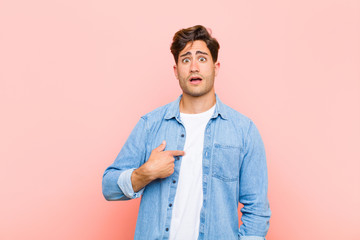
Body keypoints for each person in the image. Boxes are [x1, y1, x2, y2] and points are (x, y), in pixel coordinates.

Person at [102, 25, 271, 240]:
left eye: (202, 59)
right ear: (176, 71)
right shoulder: (150, 125)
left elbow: (257, 209)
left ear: (215, 67)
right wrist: (145, 173)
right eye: (185, 59)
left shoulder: (243, 131)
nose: (193, 67)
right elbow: (109, 187)